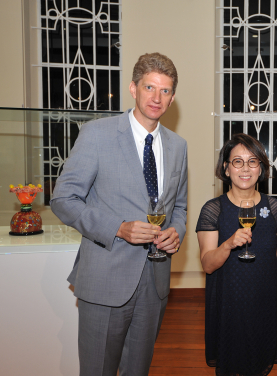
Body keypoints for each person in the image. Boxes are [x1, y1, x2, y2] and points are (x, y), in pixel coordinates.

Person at [50, 52, 187, 376]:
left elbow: (179, 207)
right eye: (150, 87)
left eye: (165, 90)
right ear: (133, 88)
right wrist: (118, 227)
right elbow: (63, 198)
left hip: (154, 282)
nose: (157, 97)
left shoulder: (177, 145)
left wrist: (176, 231)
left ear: (172, 97)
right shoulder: (97, 134)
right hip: (105, 277)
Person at [196, 133, 277, 376]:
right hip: (229, 306)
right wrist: (228, 245)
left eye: (252, 161)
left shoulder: (273, 207)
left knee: (259, 364)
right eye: (237, 161)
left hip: (264, 303)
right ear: (226, 169)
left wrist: (272, 296)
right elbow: (207, 264)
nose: (245, 168)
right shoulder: (212, 210)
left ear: (261, 168)